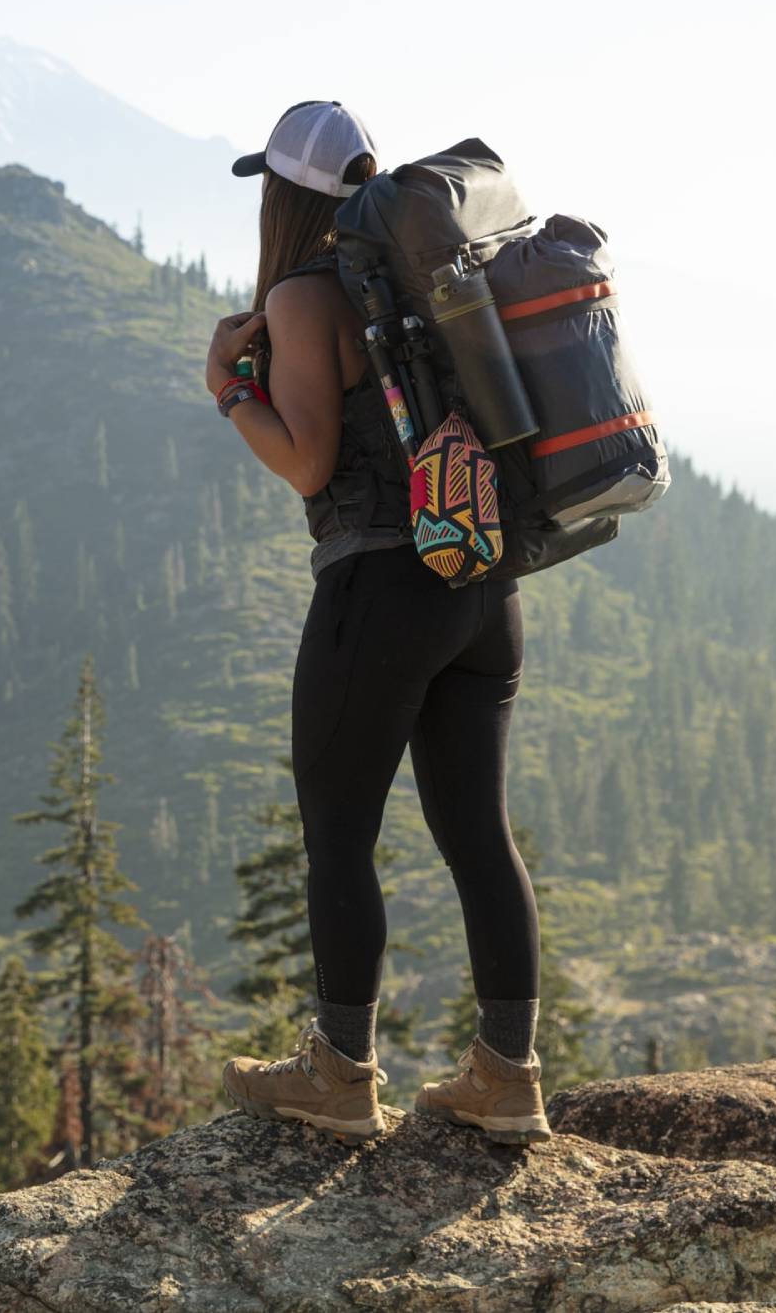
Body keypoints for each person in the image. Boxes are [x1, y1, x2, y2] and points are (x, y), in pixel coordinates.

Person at [206, 101, 552, 1147]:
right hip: (482, 582)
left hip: (380, 586)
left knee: (337, 833)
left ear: (281, 192)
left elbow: (309, 462)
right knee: (476, 838)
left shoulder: (305, 296)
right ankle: (506, 1076)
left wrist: (228, 391)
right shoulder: (425, 279)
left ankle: (340, 1074)